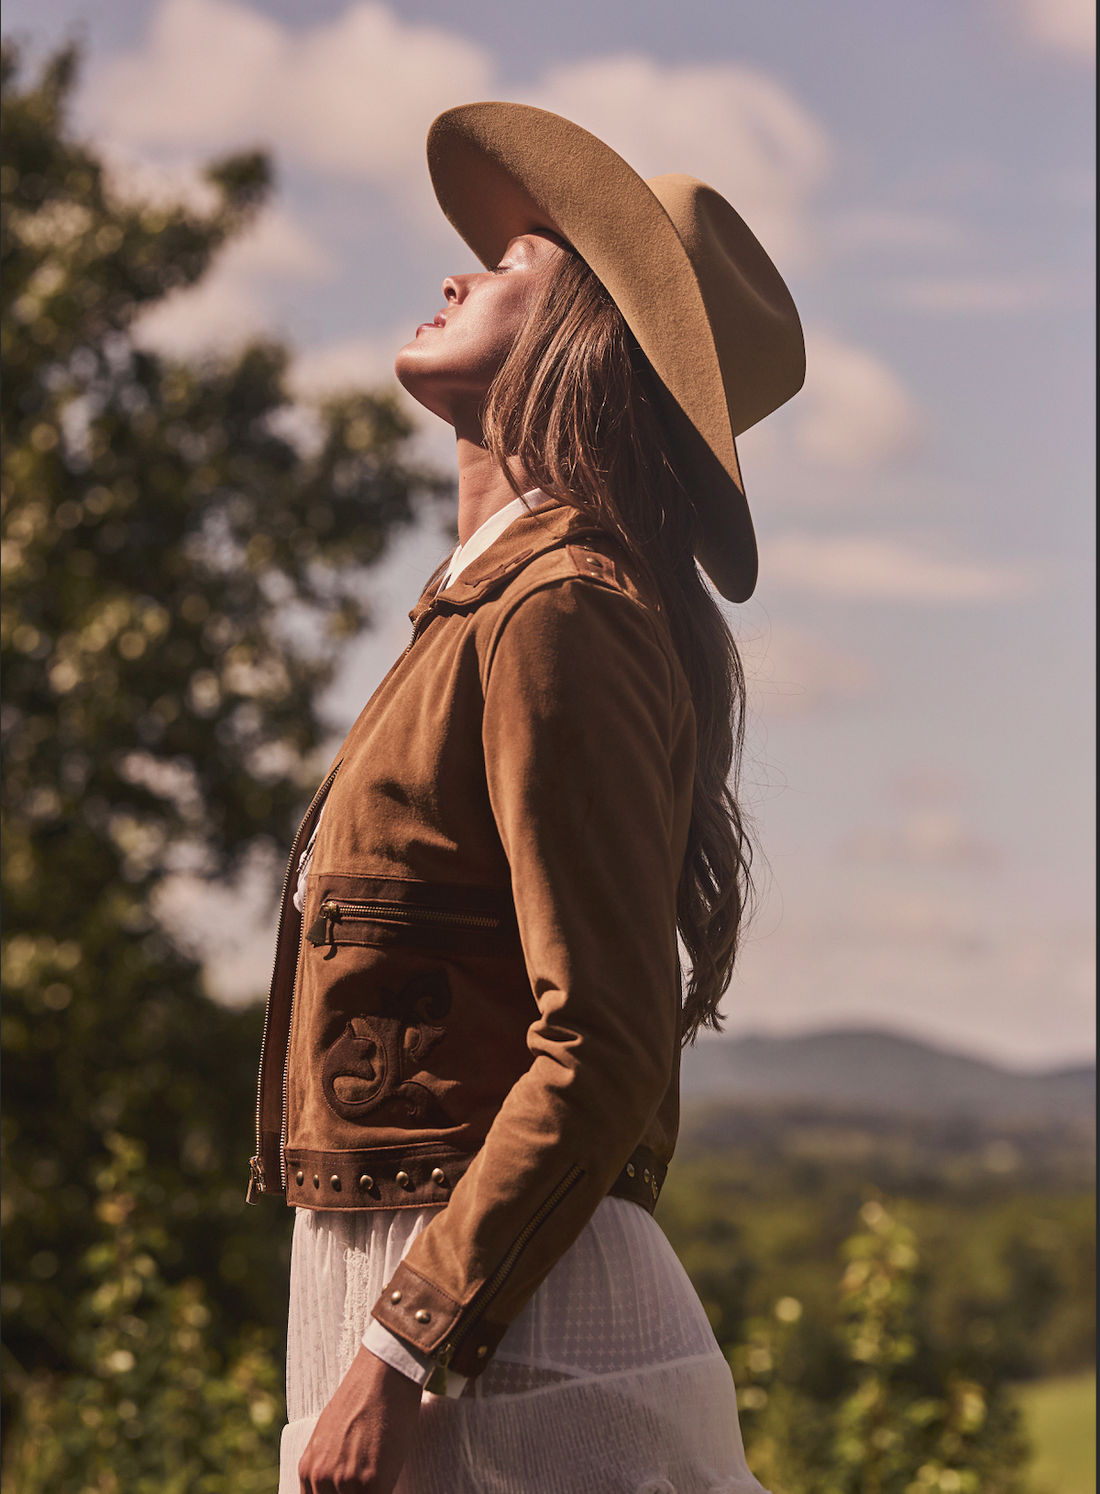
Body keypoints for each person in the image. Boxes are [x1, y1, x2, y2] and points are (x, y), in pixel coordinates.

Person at [248, 102, 805, 1494]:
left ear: (586, 340)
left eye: (517, 259)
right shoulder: (486, 610)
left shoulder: (563, 611)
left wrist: (408, 1348)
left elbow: (606, 1040)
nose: (458, 271)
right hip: (441, 1300)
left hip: (500, 1323)